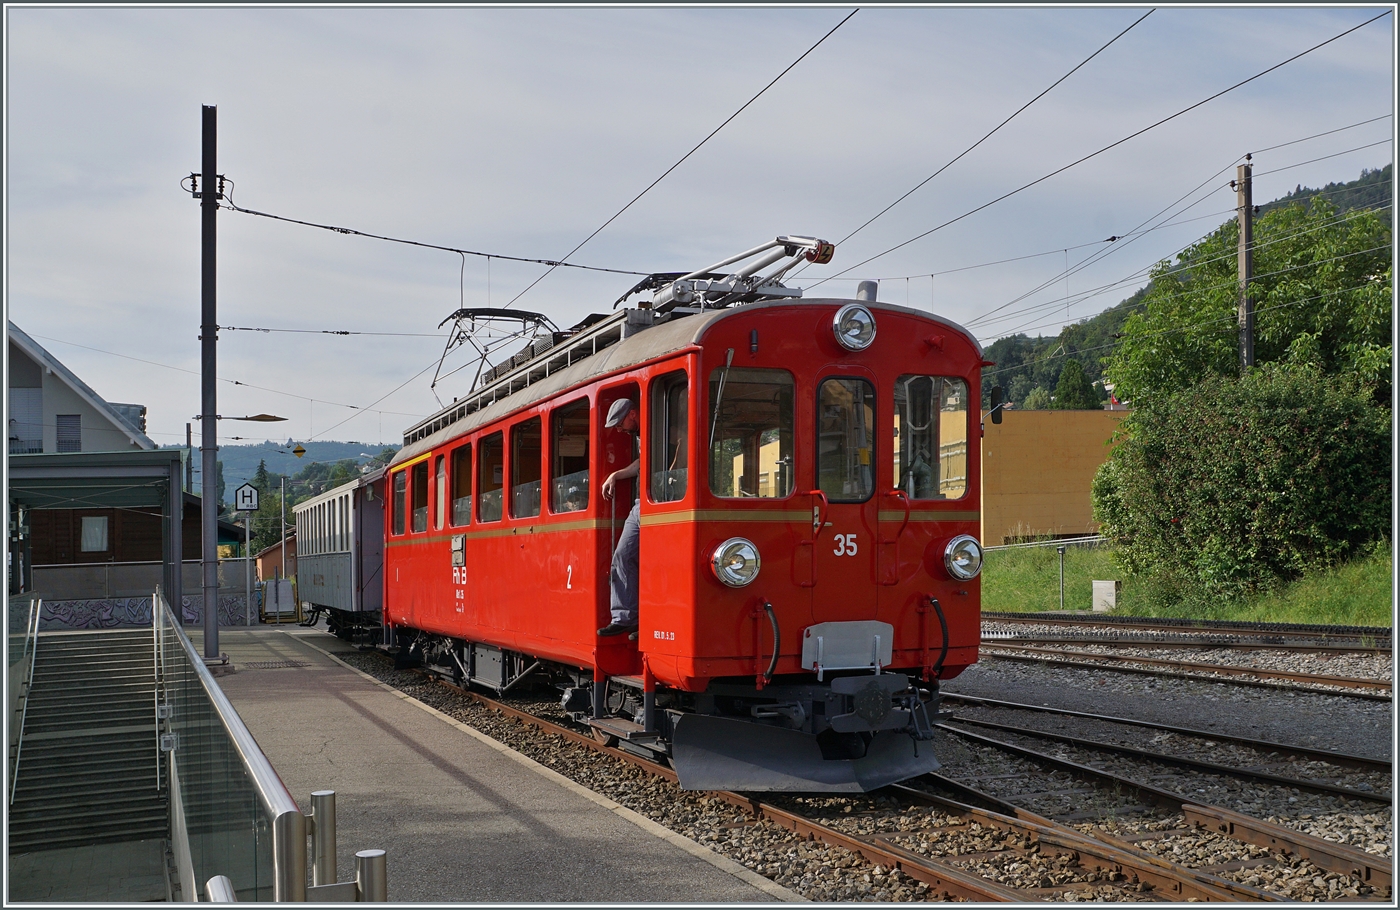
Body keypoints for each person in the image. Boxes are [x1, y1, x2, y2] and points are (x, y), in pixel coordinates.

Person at [599, 397, 640, 637]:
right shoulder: (641, 434)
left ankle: (652, 620)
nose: (619, 429)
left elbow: (681, 442)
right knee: (622, 555)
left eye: (620, 423)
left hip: (658, 500)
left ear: (632, 414)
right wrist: (616, 475)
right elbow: (642, 463)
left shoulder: (658, 425)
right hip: (641, 504)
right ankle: (625, 617)